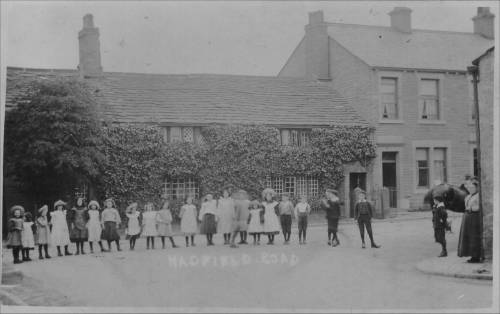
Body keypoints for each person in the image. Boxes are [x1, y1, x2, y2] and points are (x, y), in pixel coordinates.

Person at [458, 178, 482, 263]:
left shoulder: (478, 196)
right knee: (467, 236)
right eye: (469, 188)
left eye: (472, 188)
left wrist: (470, 208)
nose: (470, 189)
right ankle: (471, 255)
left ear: (476, 187)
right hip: (467, 218)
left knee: (474, 236)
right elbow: (465, 206)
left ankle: (476, 256)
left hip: (474, 218)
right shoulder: (468, 196)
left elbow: (478, 207)